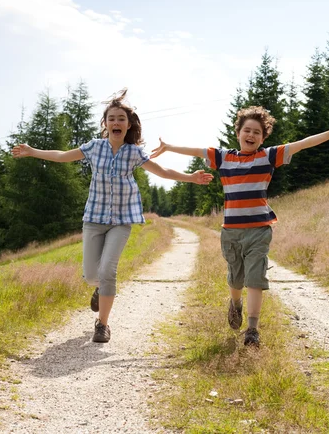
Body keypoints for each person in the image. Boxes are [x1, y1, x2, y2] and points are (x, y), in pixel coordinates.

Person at [12, 89, 213, 343]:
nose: (116, 122)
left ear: (128, 125)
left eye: (121, 119)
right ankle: (98, 288)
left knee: (108, 270)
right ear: (105, 124)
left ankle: (102, 325)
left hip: (122, 221)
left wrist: (190, 178)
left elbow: (161, 171)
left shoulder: (134, 153)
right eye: (111, 118)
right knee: (91, 275)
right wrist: (33, 151)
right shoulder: (94, 148)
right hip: (94, 219)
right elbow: (63, 157)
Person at [150, 106, 329, 346]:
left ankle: (252, 329)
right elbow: (196, 151)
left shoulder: (268, 156)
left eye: (257, 132)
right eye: (247, 130)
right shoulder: (223, 157)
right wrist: (169, 147)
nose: (251, 135)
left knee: (255, 278)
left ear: (263, 138)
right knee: (236, 279)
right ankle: (235, 303)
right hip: (231, 232)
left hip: (259, 230)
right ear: (238, 133)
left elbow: (301, 144)